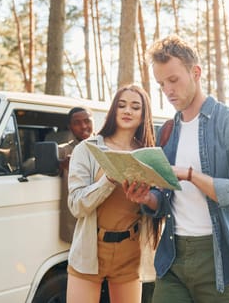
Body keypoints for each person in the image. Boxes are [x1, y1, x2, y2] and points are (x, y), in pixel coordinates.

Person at [124, 35, 229, 303]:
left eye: (173, 80)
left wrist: (191, 175)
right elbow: (165, 201)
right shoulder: (167, 132)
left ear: (195, 72)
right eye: (161, 84)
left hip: (220, 259)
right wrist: (148, 198)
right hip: (173, 256)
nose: (168, 90)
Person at [66, 84, 158, 303]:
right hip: (91, 249)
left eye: (135, 107)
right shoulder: (88, 149)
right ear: (113, 110)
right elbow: (76, 205)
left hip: (131, 251)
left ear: (143, 114)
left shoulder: (148, 154)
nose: (128, 111)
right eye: (122, 105)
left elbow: (160, 204)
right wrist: (109, 178)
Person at [55, 107, 95, 244]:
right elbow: (31, 164)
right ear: (70, 127)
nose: (83, 126)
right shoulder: (63, 151)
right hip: (78, 218)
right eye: (77, 123)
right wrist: (59, 165)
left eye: (87, 121)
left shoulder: (106, 146)